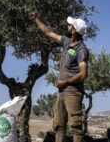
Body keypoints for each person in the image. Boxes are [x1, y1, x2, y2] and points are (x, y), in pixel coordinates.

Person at [29, 12, 89, 142]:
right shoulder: (67, 42)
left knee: (76, 128)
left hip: (73, 92)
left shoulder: (81, 50)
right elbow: (48, 33)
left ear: (74, 30)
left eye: (70, 24)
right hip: (62, 92)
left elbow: (83, 74)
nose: (68, 25)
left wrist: (65, 82)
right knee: (58, 125)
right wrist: (36, 19)